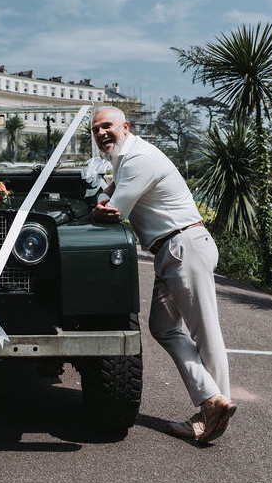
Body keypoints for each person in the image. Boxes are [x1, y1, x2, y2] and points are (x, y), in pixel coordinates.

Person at [90, 106, 236, 444]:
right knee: (163, 327)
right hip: (172, 251)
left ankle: (215, 410)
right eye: (96, 129)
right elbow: (109, 191)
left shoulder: (138, 159)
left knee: (205, 332)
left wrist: (99, 208)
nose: (101, 134)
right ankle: (212, 400)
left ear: (125, 126)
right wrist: (102, 199)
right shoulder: (125, 157)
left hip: (183, 247)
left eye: (107, 126)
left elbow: (114, 213)